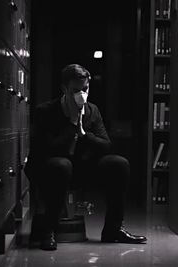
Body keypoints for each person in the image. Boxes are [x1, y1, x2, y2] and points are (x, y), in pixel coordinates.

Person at [24, 64, 147, 250]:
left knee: (118, 164)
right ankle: (48, 230)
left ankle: (114, 229)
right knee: (61, 165)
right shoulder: (46, 111)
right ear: (64, 88)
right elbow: (45, 150)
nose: (82, 94)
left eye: (85, 89)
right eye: (76, 90)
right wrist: (72, 124)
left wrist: (84, 135)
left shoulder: (92, 111)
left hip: (82, 168)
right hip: (50, 169)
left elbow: (106, 145)